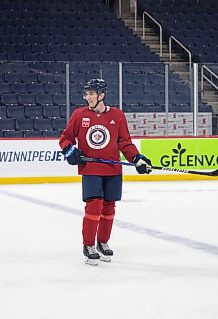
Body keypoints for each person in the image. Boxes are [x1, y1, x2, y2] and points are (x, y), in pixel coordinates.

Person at [59, 78, 152, 266]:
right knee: (94, 205)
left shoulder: (117, 115)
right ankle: (88, 245)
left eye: (92, 93)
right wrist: (70, 151)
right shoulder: (79, 115)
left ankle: (102, 242)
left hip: (113, 169)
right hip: (91, 168)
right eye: (86, 93)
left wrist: (137, 158)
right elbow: (66, 138)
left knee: (109, 208)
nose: (88, 97)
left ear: (102, 95)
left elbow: (125, 143)